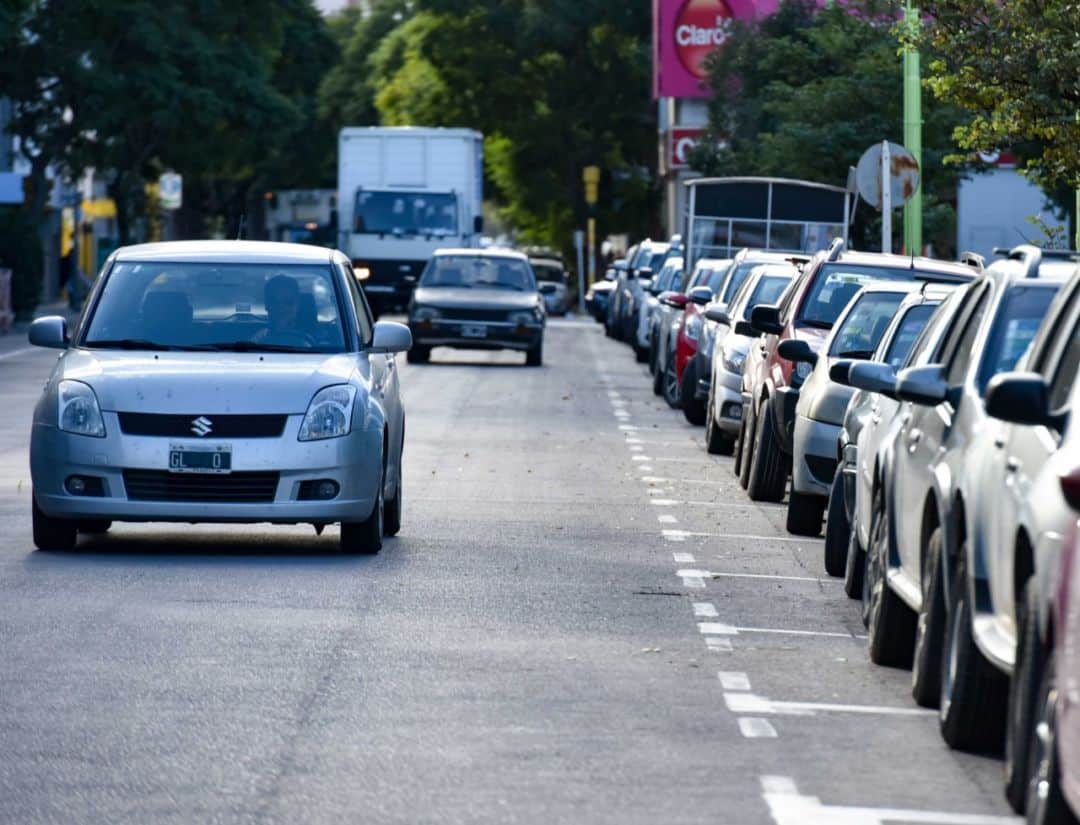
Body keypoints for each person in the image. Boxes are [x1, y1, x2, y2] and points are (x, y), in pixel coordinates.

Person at [253, 274, 304, 344]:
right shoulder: (260, 337)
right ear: (267, 305)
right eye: (275, 302)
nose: (282, 308)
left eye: (288, 302)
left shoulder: (317, 344)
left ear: (298, 305)